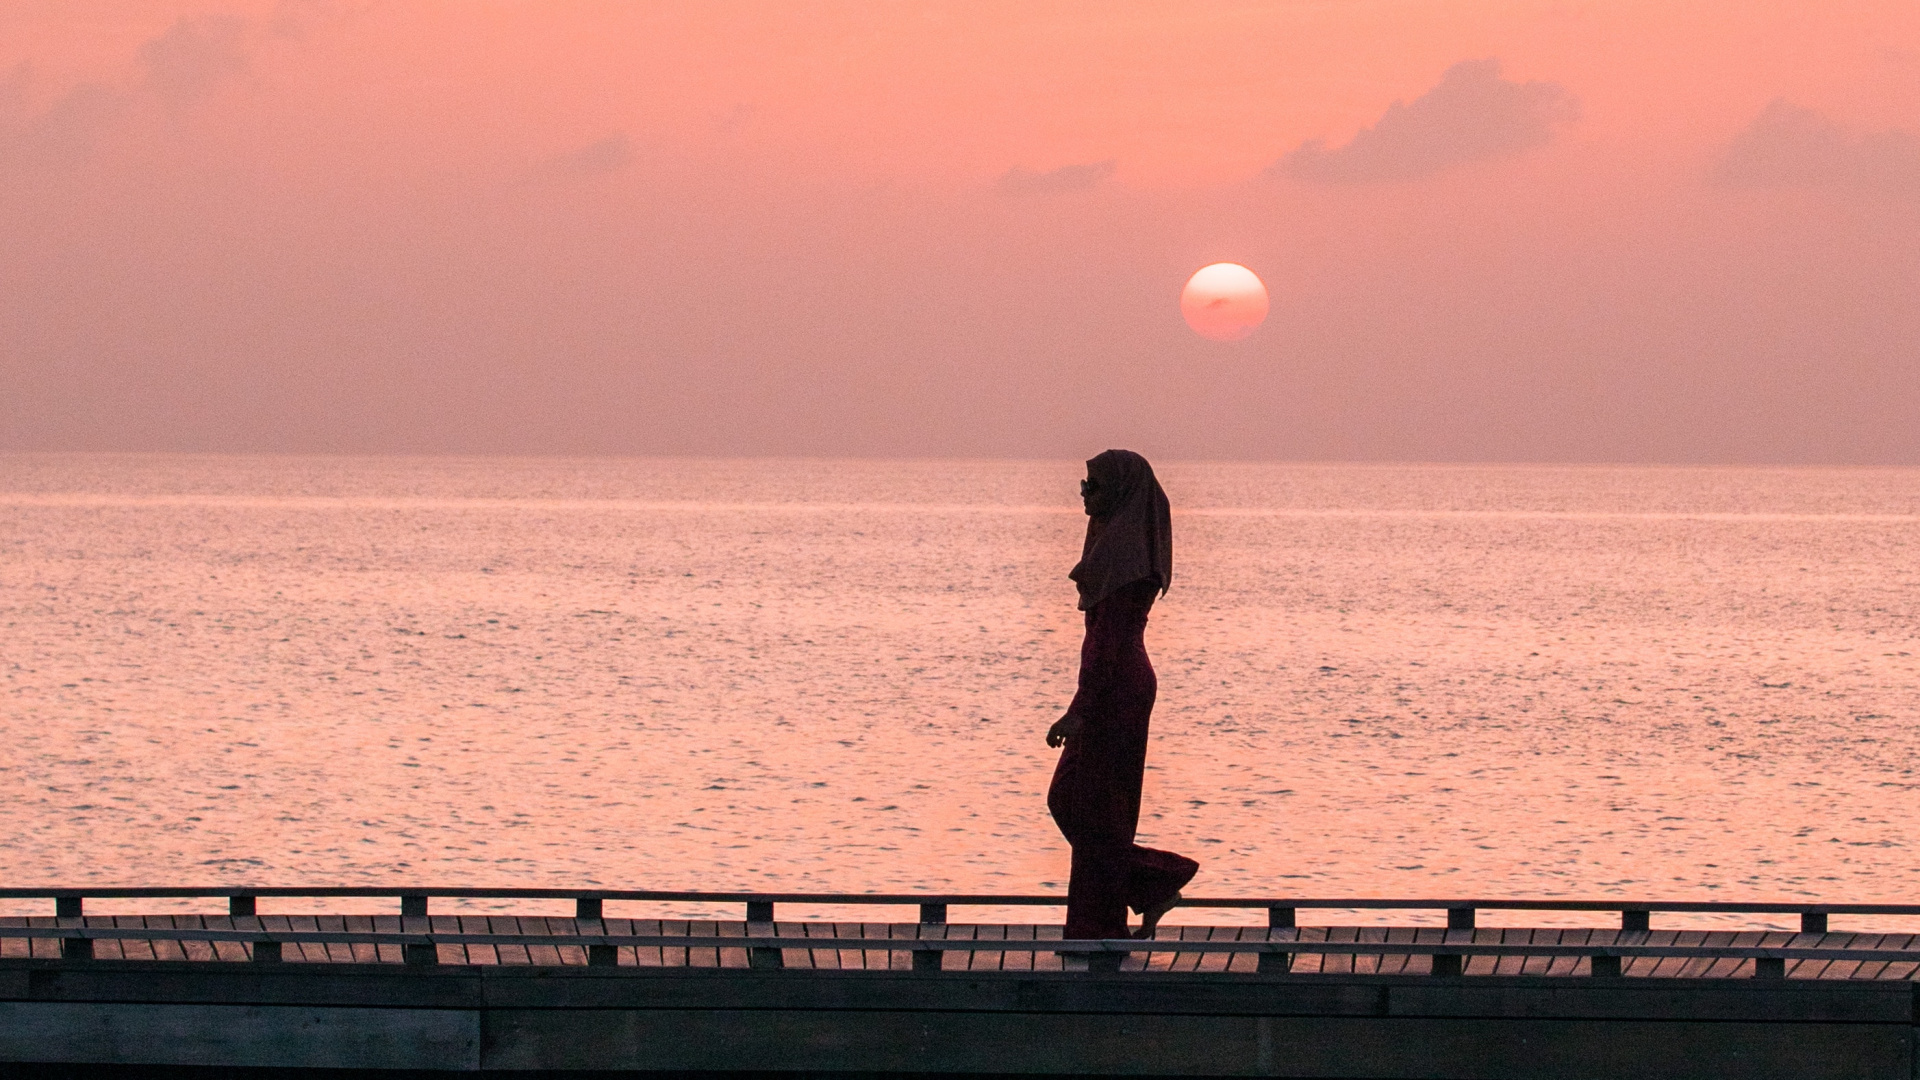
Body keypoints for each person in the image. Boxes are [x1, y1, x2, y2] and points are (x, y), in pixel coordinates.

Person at [1046, 449, 1198, 942]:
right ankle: (1149, 885)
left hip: (1117, 687)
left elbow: (1108, 642)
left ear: (1120, 492)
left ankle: (1106, 923)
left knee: (1093, 806)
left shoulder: (1126, 559)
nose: (1083, 493)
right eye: (1083, 483)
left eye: (1093, 485)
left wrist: (1079, 710)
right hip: (1113, 683)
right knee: (1077, 801)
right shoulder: (1114, 546)